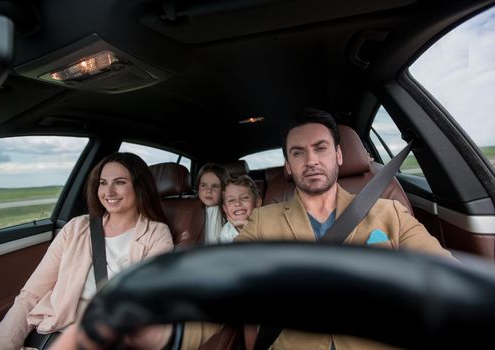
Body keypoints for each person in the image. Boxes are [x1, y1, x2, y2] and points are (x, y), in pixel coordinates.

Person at [49, 108, 455, 350]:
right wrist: (166, 333)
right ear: (287, 165)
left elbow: (446, 278)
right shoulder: (262, 222)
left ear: (337, 154)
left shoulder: (389, 213)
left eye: (319, 148)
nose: (310, 159)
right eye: (298, 152)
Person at [0, 152, 174, 350]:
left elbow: (147, 301)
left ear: (139, 186)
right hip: (55, 330)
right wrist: (0, 345)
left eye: (119, 182)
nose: (108, 191)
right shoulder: (76, 227)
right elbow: (31, 294)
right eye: (102, 182)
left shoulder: (157, 233)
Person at [219, 175, 262, 243]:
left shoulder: (266, 224)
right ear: (225, 209)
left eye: (245, 197)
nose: (237, 203)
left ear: (257, 202)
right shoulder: (226, 233)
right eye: (231, 200)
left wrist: (247, 227)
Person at [195, 163, 229, 244]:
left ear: (224, 189)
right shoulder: (191, 210)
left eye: (215, 186)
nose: (208, 190)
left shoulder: (229, 212)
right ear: (198, 188)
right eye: (203, 185)